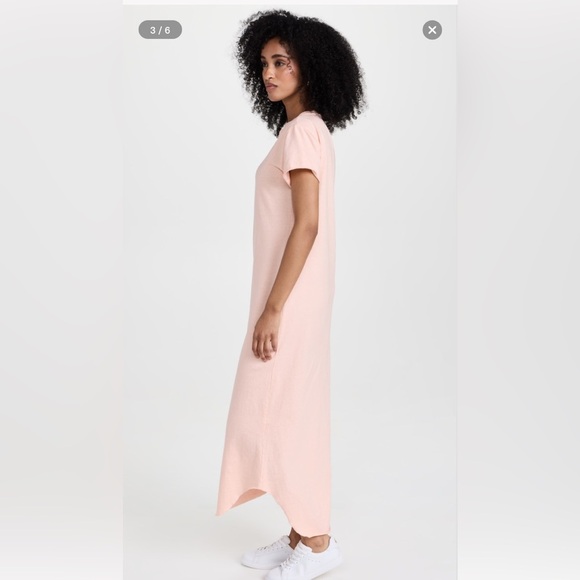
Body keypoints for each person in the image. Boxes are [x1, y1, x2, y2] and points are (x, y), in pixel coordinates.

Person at [215, 9, 366, 579]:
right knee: (290, 408)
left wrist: (273, 309)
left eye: (282, 62)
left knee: (281, 412)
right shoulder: (307, 130)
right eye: (264, 63)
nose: (270, 73)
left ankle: (320, 544)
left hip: (291, 299)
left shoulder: (302, 132)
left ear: (311, 68)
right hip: (299, 293)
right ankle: (303, 532)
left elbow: (307, 225)